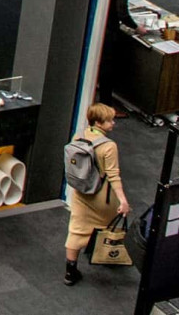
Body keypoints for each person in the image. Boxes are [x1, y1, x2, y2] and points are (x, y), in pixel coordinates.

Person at [62, 103, 128, 287]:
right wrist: (123, 201)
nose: (113, 123)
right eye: (109, 120)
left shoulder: (79, 135)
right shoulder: (109, 146)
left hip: (81, 193)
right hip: (102, 195)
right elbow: (114, 176)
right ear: (99, 123)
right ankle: (101, 252)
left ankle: (70, 271)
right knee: (107, 223)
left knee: (77, 229)